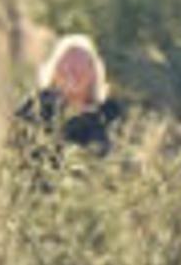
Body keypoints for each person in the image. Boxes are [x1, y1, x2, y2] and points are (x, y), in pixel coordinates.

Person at [12, 32, 125, 168]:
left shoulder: (110, 114)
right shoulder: (34, 109)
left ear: (94, 73)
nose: (72, 73)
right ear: (54, 72)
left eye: (80, 67)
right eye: (66, 66)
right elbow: (14, 158)